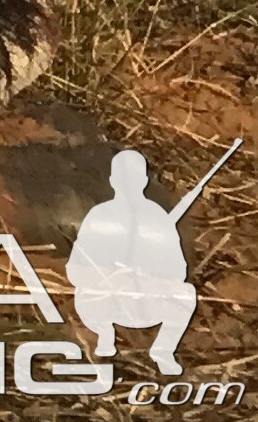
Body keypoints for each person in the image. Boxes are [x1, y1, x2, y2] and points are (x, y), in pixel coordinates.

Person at [70, 149, 200, 375]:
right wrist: (107, 275)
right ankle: (104, 335)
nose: (129, 184)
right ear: (113, 181)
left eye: (133, 178)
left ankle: (163, 350)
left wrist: (150, 270)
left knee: (185, 293)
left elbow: (178, 271)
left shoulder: (158, 217)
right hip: (106, 301)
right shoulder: (99, 216)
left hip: (145, 302)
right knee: (83, 294)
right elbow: (75, 269)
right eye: (123, 178)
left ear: (143, 181)